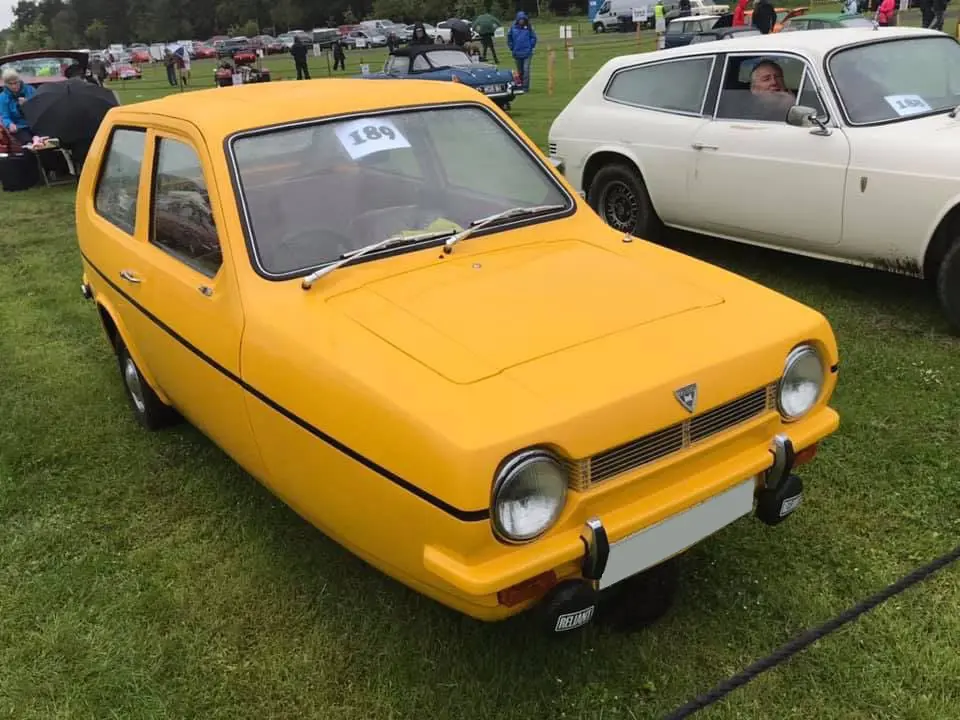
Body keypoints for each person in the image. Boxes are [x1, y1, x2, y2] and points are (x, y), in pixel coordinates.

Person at [1, 69, 37, 145]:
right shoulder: (3, 97)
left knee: (44, 142)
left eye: (16, 83)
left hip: (35, 123)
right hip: (20, 126)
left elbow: (40, 108)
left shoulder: (30, 90)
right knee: (28, 144)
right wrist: (9, 124)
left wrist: (27, 105)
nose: (14, 86)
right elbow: (5, 116)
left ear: (19, 81)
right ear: (6, 84)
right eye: (10, 84)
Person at [507, 11, 537, 92]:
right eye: (520, 19)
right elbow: (509, 38)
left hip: (527, 52)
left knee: (526, 69)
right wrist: (511, 47)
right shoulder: (512, 28)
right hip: (517, 52)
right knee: (520, 71)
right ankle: (520, 86)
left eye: (523, 19)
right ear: (517, 20)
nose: (521, 21)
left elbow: (534, 37)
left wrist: (531, 45)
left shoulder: (529, 28)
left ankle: (525, 87)